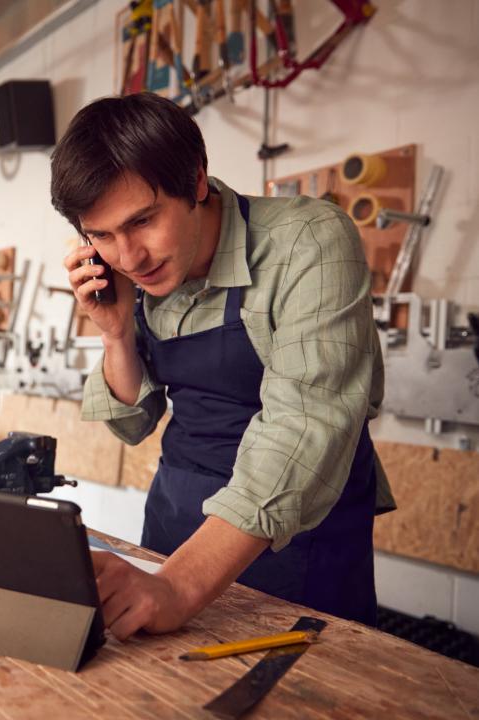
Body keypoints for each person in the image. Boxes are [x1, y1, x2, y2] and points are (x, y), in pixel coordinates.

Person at [51, 93, 395, 639]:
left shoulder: (307, 241)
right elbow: (132, 424)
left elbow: (303, 428)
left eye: (142, 221)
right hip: (176, 522)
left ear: (196, 181)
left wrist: (178, 587)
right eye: (102, 236)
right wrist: (115, 331)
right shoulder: (136, 274)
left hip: (296, 534)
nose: (130, 257)